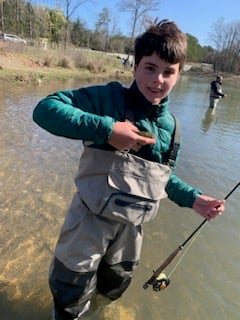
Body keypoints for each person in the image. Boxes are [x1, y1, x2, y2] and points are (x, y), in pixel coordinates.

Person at [33, 19, 225, 320]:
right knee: (69, 293)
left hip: (132, 231)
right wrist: (107, 129)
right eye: (149, 67)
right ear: (135, 67)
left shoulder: (172, 129)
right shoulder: (108, 99)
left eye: (168, 72)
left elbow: (160, 178)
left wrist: (194, 199)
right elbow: (45, 110)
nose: (157, 80)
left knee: (112, 288)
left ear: (179, 75)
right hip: (88, 222)